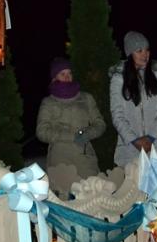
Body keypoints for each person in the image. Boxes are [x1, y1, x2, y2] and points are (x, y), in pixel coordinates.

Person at [36, 57, 106, 194]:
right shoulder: (48, 102)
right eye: (62, 74)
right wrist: (71, 136)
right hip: (60, 159)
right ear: (55, 77)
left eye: (69, 73)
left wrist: (86, 134)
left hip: (84, 157)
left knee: (93, 195)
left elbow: (100, 124)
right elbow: (42, 131)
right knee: (63, 200)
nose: (67, 77)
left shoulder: (86, 98)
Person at [109, 31, 157, 166]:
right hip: (130, 151)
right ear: (129, 53)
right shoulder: (118, 79)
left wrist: (152, 137)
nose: (145, 54)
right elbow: (117, 114)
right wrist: (134, 140)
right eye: (139, 51)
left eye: (147, 50)